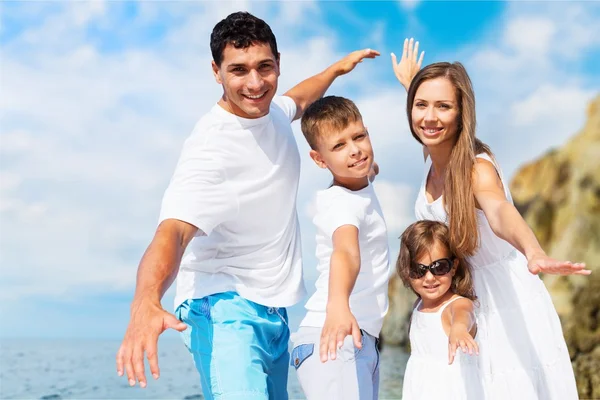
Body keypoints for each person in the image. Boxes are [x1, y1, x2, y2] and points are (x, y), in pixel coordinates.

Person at [115, 11, 380, 400]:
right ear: (216, 71)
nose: (255, 83)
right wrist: (145, 301)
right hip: (222, 307)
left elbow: (302, 97)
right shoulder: (210, 149)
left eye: (265, 67)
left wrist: (337, 69)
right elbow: (172, 231)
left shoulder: (271, 110)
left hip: (274, 310)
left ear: (277, 65)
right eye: (238, 70)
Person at [394, 50, 590, 399]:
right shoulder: (432, 155)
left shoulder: (474, 168)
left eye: (443, 106)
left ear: (461, 113)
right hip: (463, 296)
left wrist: (533, 251)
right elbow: (428, 116)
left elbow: (499, 211)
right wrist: (411, 83)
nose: (429, 117)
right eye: (420, 104)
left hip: (504, 300)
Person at [289, 96, 390, 400]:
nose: (355, 149)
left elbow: (369, 169)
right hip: (335, 334)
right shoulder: (342, 204)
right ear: (320, 160)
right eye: (339, 146)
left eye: (359, 137)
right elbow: (345, 252)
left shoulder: (360, 184)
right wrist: (337, 306)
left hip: (357, 339)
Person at [396, 220, 483, 400]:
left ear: (454, 267)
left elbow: (463, 315)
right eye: (419, 270)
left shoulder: (456, 304)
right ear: (407, 271)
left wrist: (459, 329)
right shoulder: (418, 306)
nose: (429, 278)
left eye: (439, 267)